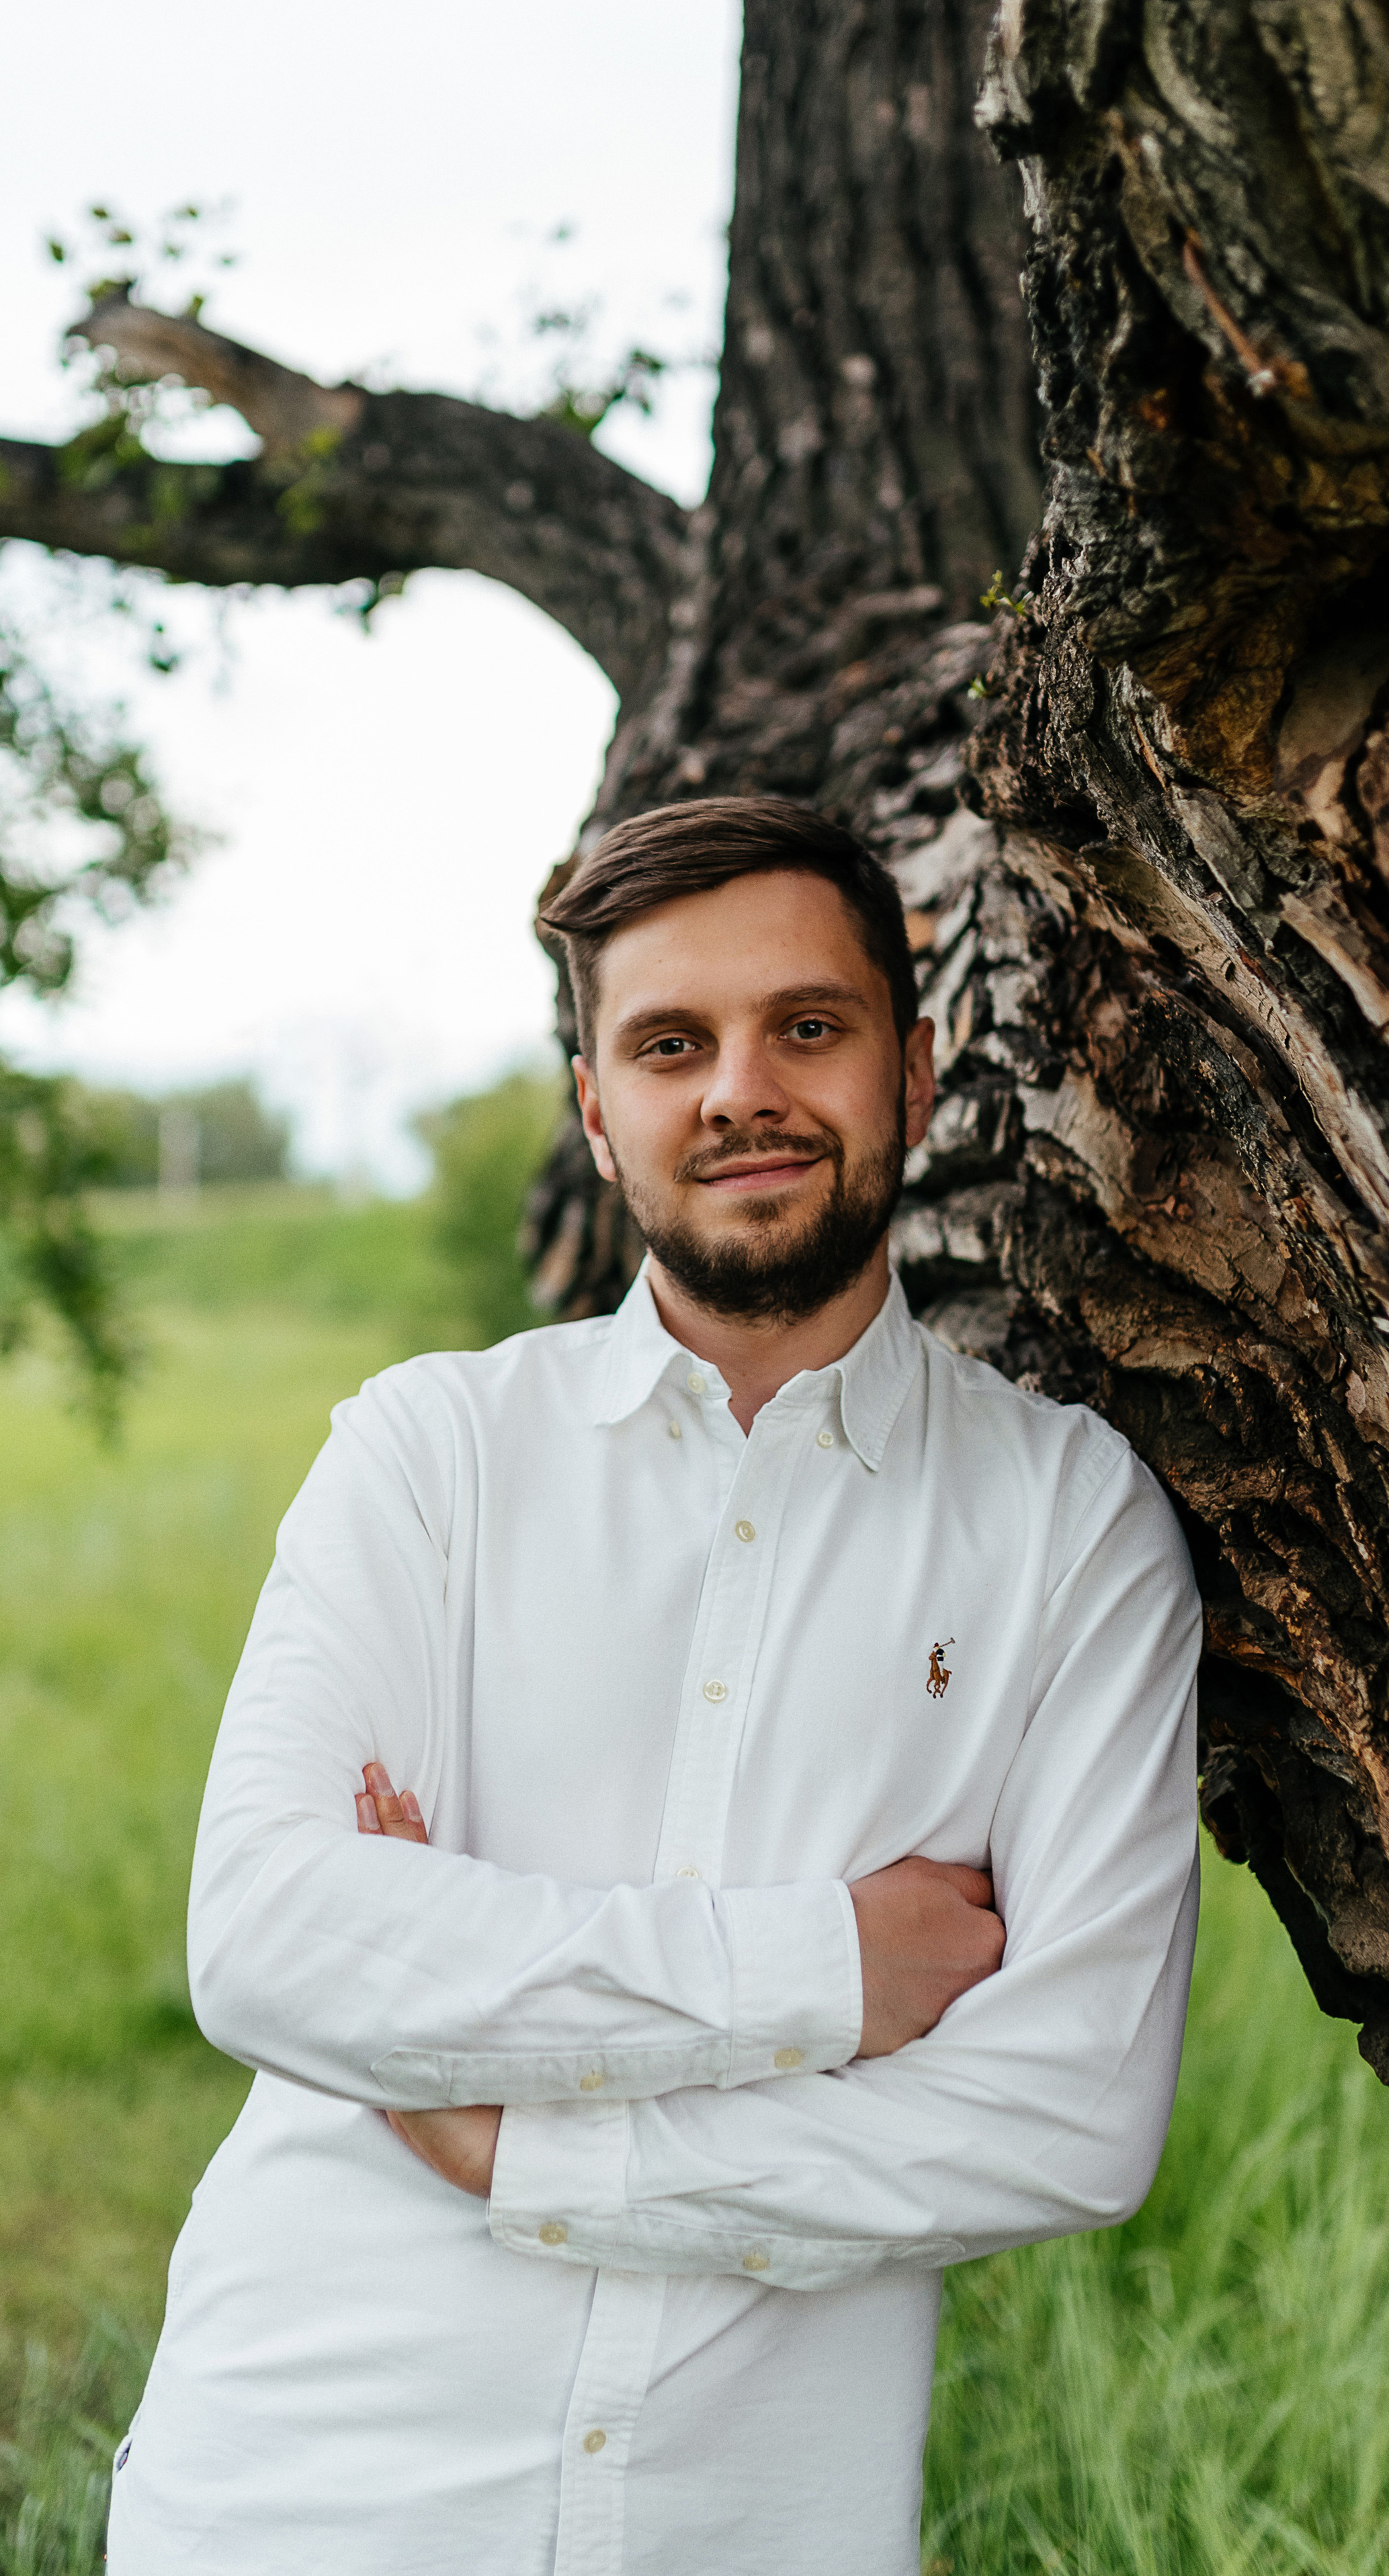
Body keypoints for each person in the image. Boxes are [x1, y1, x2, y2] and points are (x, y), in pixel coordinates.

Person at [106, 795, 1200, 2576]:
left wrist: (521, 2138)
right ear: (598, 1116)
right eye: (671, 1044)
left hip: (749, 2527)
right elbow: (271, 1940)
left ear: (917, 1072)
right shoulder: (430, 1456)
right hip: (307, 2495)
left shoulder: (1068, 1527)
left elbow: (1068, 2117)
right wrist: (832, 1971)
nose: (740, 1091)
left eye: (809, 1026)